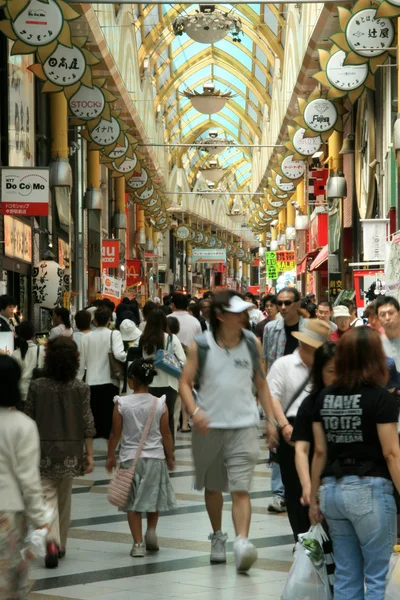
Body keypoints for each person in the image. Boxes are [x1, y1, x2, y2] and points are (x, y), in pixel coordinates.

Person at [180, 291, 277, 573]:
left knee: (240, 488)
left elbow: (261, 384)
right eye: (237, 312)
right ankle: (218, 536)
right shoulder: (201, 345)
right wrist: (195, 413)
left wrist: (270, 420)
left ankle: (242, 542)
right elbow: (185, 383)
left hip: (244, 425)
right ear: (221, 315)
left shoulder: (251, 343)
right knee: (213, 488)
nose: (243, 317)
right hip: (209, 428)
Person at [309, 327, 400, 600]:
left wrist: (314, 498)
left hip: (332, 491)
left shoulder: (324, 397)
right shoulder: (381, 398)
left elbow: (320, 453)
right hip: (369, 490)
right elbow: (391, 454)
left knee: (347, 575)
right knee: (377, 576)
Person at [25, 337, 95, 568]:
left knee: (47, 497)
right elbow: (87, 422)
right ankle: (60, 543)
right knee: (65, 498)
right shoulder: (81, 388)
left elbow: (29, 418)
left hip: (42, 449)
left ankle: (51, 540)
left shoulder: (37, 386)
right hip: (71, 450)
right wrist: (90, 454)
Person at [267, 319, 331, 540]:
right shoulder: (283, 365)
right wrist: (282, 425)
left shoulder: (328, 368)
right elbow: (272, 397)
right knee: (295, 489)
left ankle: (324, 537)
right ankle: (302, 537)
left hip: (323, 430)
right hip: (292, 429)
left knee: (322, 486)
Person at [106, 359, 176, 557]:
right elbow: (167, 434)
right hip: (155, 458)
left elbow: (115, 434)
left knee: (133, 504)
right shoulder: (159, 403)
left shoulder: (122, 403)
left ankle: (138, 544)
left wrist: (111, 456)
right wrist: (170, 456)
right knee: (152, 498)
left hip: (130, 459)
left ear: (132, 380)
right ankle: (151, 531)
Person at [0, 355, 48, 598]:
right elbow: (29, 480)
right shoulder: (23, 425)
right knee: (7, 585)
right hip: (8, 513)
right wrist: (41, 520)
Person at [263, 287, 305, 514]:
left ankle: (304, 491)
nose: (283, 307)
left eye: (288, 303)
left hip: (304, 399)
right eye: (280, 303)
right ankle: (280, 494)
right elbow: (265, 362)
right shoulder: (271, 329)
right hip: (278, 397)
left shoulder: (308, 329)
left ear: (298, 304)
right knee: (278, 446)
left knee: (304, 447)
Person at [292, 342, 337, 507]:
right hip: (319, 478)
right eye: (331, 371)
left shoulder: (353, 400)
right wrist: (307, 485)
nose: (337, 376)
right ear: (319, 372)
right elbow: (301, 449)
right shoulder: (310, 404)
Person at [78, 307, 126, 440]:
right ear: (109, 320)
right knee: (110, 423)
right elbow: (118, 354)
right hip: (110, 382)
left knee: (91, 422)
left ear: (94, 321)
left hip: (91, 382)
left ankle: (90, 455)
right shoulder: (114, 334)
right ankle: (111, 455)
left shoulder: (85, 338)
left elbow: (81, 364)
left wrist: (78, 381)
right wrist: (127, 355)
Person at [141, 308, 186, 443]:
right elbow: (182, 360)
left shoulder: (144, 339)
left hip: (150, 383)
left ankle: (152, 446)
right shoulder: (171, 338)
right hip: (169, 383)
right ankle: (168, 449)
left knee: (151, 418)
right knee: (168, 417)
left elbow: (144, 358)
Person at [12, 321, 45, 403]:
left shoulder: (15, 354)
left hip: (20, 395)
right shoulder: (42, 350)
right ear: (33, 334)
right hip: (38, 394)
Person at [376, 296, 400, 371]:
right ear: (378, 318)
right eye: (382, 315)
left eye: (391, 313)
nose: (387, 318)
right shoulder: (376, 343)